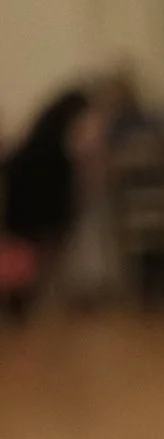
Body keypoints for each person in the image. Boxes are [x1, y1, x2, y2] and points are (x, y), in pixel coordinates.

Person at [1, 88, 97, 318]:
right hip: (42, 202)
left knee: (30, 252)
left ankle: (27, 299)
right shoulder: (61, 139)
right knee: (43, 253)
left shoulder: (42, 134)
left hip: (25, 201)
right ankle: (33, 298)